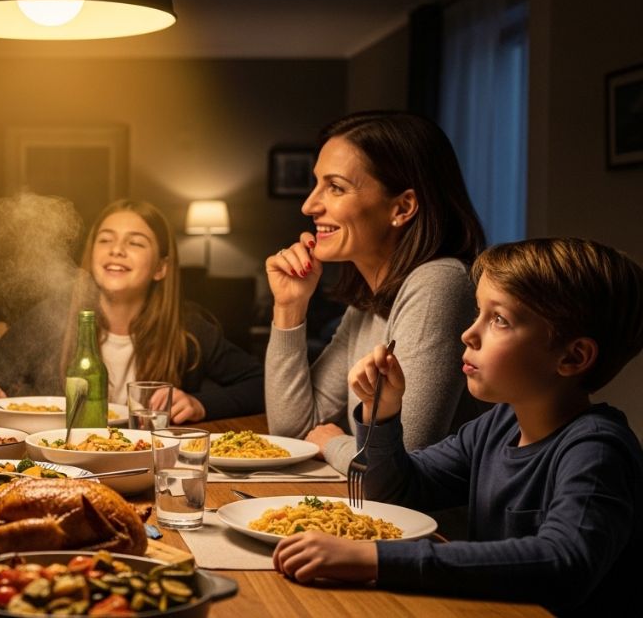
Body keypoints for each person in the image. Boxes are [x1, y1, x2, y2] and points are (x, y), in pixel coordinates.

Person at [273, 238, 643, 614]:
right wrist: (381, 414)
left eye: (499, 319)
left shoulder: (596, 450)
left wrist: (374, 558)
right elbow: (399, 489)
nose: (468, 334)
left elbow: (563, 562)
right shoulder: (498, 426)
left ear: (573, 356)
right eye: (478, 312)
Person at [264, 111, 487, 471]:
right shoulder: (370, 303)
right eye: (317, 183)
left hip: (434, 526)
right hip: (374, 513)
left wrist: (332, 443)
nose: (309, 205)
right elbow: (290, 433)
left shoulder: (439, 283)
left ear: (402, 208)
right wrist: (289, 306)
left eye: (335, 187)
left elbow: (401, 464)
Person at [0, 199, 263, 423]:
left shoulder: (188, 327)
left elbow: (261, 386)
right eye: (105, 239)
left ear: (161, 268)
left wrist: (200, 404)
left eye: (135, 243)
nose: (116, 249)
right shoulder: (52, 318)